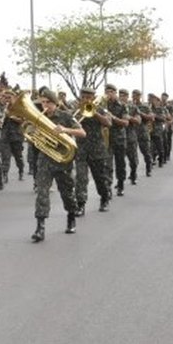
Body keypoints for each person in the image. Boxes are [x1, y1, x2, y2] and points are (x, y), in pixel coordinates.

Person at [31, 91, 86, 242]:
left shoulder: (66, 116)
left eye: (48, 102)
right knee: (42, 193)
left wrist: (65, 130)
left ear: (55, 103)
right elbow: (31, 135)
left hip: (63, 160)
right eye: (43, 102)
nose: (45, 106)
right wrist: (33, 132)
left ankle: (70, 216)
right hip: (45, 159)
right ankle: (40, 228)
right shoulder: (39, 117)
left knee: (67, 193)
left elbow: (82, 132)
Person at [73, 88, 113, 214]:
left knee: (100, 178)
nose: (86, 99)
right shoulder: (76, 111)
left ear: (93, 97)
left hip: (97, 150)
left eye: (88, 97)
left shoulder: (101, 110)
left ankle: (104, 198)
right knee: (81, 178)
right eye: (84, 97)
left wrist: (94, 112)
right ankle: (81, 204)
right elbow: (69, 124)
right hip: (81, 150)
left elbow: (108, 123)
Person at [104, 84, 129, 196]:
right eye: (107, 92)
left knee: (120, 163)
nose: (108, 94)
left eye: (111, 92)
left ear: (115, 93)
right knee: (107, 165)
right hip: (106, 139)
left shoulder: (122, 106)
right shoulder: (102, 105)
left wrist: (113, 117)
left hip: (119, 138)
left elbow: (125, 123)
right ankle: (108, 188)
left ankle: (120, 184)